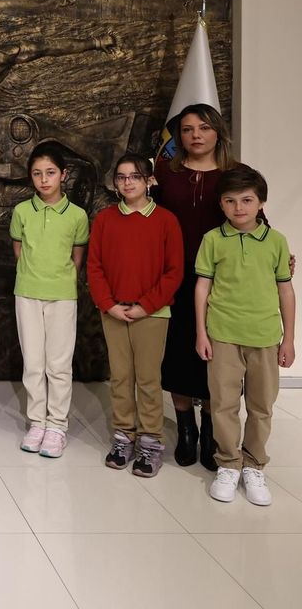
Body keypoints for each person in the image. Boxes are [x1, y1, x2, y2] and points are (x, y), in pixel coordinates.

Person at [195, 166, 295, 505]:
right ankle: (228, 463)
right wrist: (201, 332)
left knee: (261, 405)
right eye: (230, 200)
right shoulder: (212, 239)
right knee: (222, 403)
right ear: (221, 204)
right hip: (222, 334)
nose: (239, 207)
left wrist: (289, 339)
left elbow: (285, 291)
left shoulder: (276, 242)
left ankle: (254, 465)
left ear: (261, 202)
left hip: (265, 336)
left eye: (247, 200)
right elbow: (202, 287)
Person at [88, 154, 183, 478]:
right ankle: (123, 437)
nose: (128, 182)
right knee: (120, 377)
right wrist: (108, 304)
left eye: (135, 176)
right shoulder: (105, 219)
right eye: (122, 177)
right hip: (114, 310)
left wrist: (146, 305)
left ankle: (150, 441)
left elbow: (174, 272)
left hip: (152, 313)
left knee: (148, 379)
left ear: (149, 180)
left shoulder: (166, 221)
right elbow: (95, 266)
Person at [153, 104, 236, 470]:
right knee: (178, 353)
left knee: (216, 354)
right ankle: (186, 428)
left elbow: (253, 219)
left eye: (204, 127)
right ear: (179, 137)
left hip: (221, 279)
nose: (196, 135)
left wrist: (279, 258)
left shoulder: (234, 175)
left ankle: (211, 429)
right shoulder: (164, 174)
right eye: (187, 129)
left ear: (218, 132)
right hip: (176, 275)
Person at [10, 142, 89, 458]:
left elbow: (77, 257)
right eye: (37, 173)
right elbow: (19, 250)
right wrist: (33, 276)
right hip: (27, 294)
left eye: (51, 173)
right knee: (33, 363)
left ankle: (56, 426)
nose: (44, 180)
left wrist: (61, 280)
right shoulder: (22, 212)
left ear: (63, 175)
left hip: (62, 297)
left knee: (58, 364)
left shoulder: (77, 215)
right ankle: (37, 423)